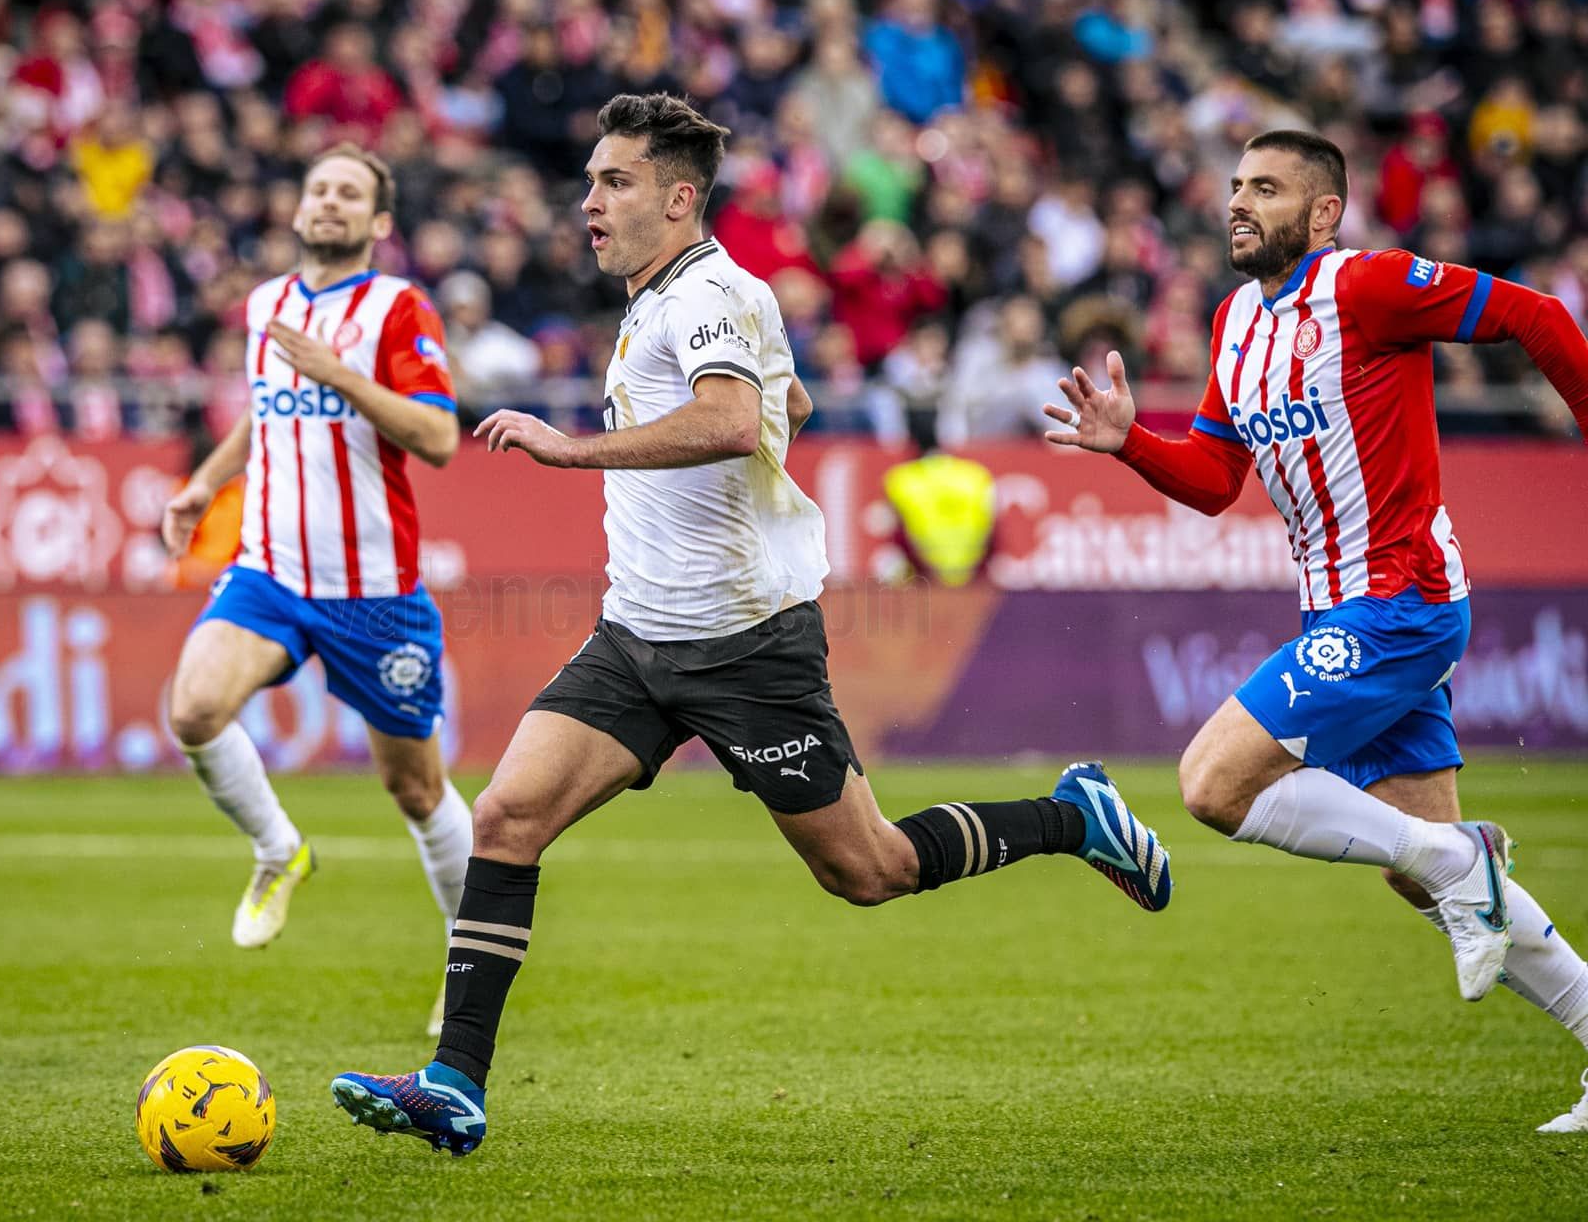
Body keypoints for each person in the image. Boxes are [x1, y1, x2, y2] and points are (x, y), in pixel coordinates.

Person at [326, 93, 1176, 1156]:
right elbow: (781, 407)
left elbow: (733, 420)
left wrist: (573, 448)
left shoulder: (712, 291)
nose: (588, 199)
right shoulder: (664, 300)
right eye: (590, 179)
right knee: (503, 819)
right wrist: (772, 403)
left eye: (614, 181)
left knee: (869, 872)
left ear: (680, 199)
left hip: (746, 647)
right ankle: (455, 1084)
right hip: (637, 638)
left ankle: (1071, 816)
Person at [1044, 129, 1588, 1135]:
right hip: (1340, 609)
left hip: (1405, 600)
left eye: (1266, 187)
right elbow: (1214, 481)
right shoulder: (1234, 322)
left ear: (1324, 211)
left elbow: (1535, 312)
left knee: (1212, 784)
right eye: (1235, 185)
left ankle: (1462, 862)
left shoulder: (1371, 287)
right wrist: (1130, 444)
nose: (1238, 202)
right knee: (1416, 870)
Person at [160, 144, 472, 1035]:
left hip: (374, 591)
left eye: (350, 193)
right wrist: (204, 483)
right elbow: (266, 409)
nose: (328, 201)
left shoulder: (396, 308)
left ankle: (466, 953)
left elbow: (439, 436)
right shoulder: (268, 303)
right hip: (269, 571)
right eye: (317, 187)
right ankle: (277, 848)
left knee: (414, 790)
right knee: (192, 709)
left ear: (378, 223)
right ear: (299, 208)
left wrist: (339, 371)